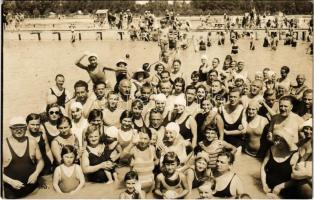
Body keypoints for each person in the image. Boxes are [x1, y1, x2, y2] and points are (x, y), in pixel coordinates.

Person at [3, 116, 44, 199]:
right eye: (15, 128)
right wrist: (11, 182)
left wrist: (36, 174)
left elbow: (40, 161)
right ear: (10, 129)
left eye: (21, 127)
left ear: (26, 128)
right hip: (12, 192)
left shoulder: (32, 142)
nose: (19, 130)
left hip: (33, 189)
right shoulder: (3, 145)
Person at [261, 128, 298, 198]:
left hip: (284, 193)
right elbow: (263, 167)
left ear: (287, 141)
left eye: (280, 140)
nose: (276, 142)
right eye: (276, 139)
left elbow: (295, 179)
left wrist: (280, 187)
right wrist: (264, 184)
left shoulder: (294, 155)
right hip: (267, 189)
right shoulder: (271, 149)